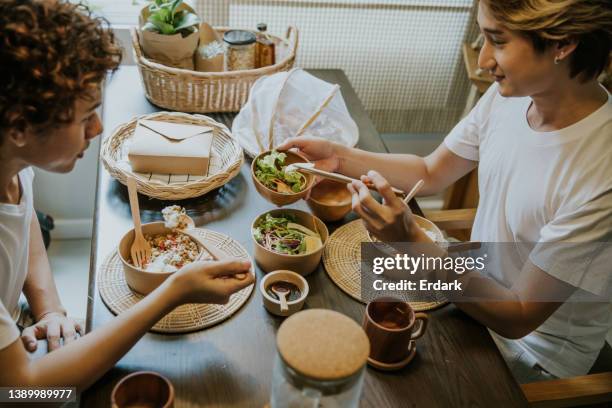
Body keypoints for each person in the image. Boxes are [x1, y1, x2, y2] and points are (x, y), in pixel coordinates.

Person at [279, 0, 612, 383]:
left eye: (497, 41)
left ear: (563, 43)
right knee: (326, 290)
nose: (484, 60)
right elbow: (431, 171)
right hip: (471, 277)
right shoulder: (516, 95)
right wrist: (337, 157)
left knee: (370, 372)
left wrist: (410, 242)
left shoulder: (601, 174)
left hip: (527, 348)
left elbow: (517, 315)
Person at [0, 0, 254, 389]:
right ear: (19, 127)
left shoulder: (11, 164)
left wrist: (49, 310)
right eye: (85, 117)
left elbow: (23, 219)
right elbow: (29, 388)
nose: (98, 128)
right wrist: (173, 292)